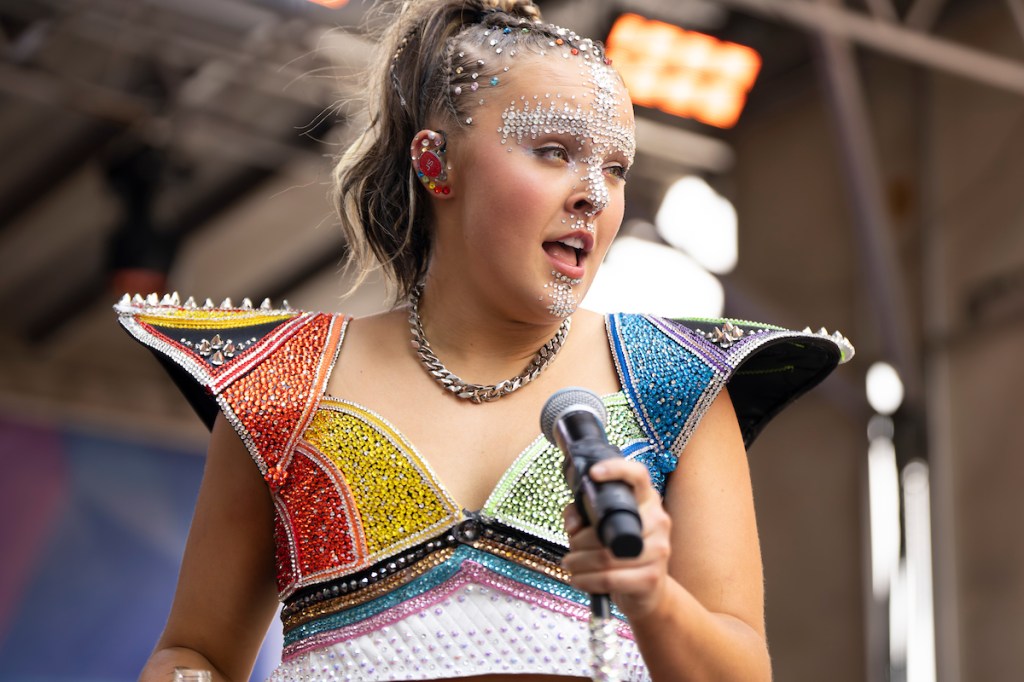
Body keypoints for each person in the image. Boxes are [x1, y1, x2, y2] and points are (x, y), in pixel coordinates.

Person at [117, 1, 853, 680]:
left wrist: (651, 596)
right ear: (434, 162)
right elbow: (196, 650)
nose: (594, 194)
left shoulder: (676, 383)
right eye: (554, 150)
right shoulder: (283, 378)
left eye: (616, 167)